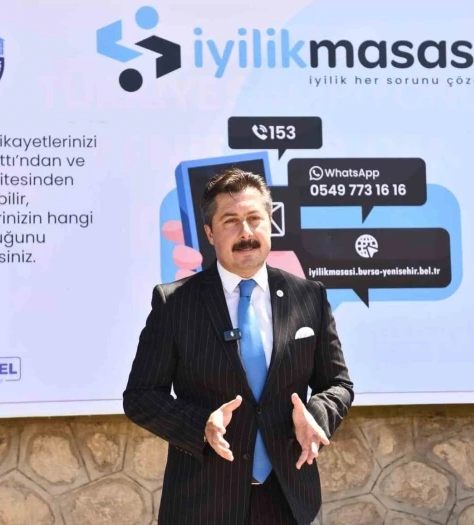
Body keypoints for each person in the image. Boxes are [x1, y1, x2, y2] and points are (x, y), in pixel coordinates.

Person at [123, 167, 354, 525]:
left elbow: (337, 384)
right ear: (209, 233)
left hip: (288, 501)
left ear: (269, 223)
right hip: (203, 503)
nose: (245, 232)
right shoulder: (175, 304)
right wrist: (200, 425)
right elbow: (141, 396)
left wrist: (316, 415)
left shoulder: (310, 297)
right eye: (230, 221)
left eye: (254, 218)